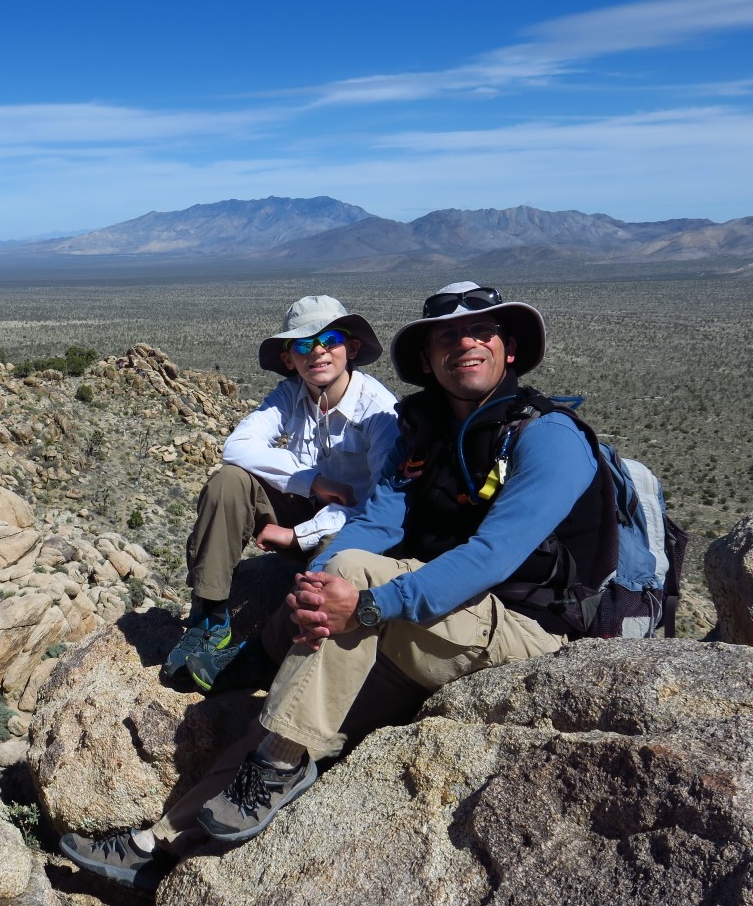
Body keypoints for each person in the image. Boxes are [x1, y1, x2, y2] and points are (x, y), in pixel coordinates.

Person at [61, 282, 605, 891]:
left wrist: (367, 603)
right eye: (447, 336)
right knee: (289, 714)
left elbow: (490, 555)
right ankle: (154, 844)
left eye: (483, 331)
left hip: (529, 633)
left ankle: (269, 725)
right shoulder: (421, 432)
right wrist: (318, 585)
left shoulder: (547, 437)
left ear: (511, 349)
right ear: (426, 359)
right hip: (440, 626)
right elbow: (380, 522)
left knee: (340, 600)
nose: (466, 343)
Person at [164, 295, 399, 691]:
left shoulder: (379, 412)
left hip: (348, 531)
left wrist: (296, 535)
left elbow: (380, 505)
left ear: (352, 347)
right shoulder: (291, 393)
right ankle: (211, 614)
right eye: (304, 345)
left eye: (331, 339)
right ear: (290, 358)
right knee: (229, 481)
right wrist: (313, 481)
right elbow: (237, 446)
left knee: (340, 550)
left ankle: (268, 655)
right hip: (304, 507)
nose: (318, 352)